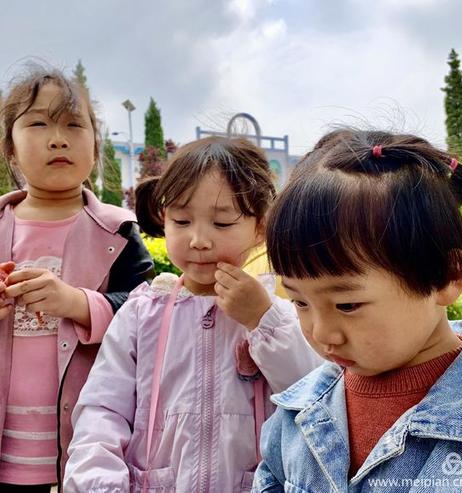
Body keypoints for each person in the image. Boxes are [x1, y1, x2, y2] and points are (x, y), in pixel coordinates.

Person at [253, 129, 462, 492]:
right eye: (300, 302)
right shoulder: (293, 416)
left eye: (347, 304)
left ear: (447, 276)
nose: (322, 333)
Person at [0, 67, 154, 493]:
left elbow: (150, 313)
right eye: (38, 123)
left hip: (91, 440)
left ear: (95, 147)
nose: (58, 138)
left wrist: (79, 304)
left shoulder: (117, 231)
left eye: (73, 124)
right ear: (10, 150)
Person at [64, 136, 322, 492]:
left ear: (260, 227)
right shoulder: (141, 314)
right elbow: (102, 411)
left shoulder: (276, 314)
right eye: (182, 221)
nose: (199, 239)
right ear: (163, 218)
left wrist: (262, 321)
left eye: (222, 223)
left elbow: (313, 395)